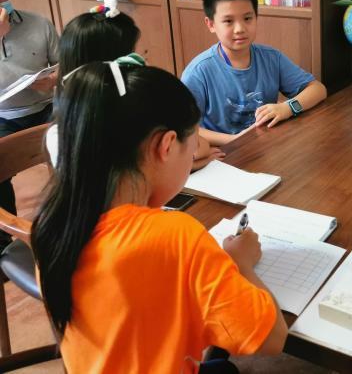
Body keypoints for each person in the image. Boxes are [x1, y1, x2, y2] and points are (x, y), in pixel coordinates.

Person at [32, 61, 288, 373]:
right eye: (191, 148)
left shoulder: (53, 226)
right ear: (165, 145)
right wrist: (241, 263)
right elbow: (272, 339)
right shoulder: (175, 235)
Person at [46, 8, 223, 170]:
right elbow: (187, 151)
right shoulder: (73, 135)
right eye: (132, 55)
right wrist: (195, 161)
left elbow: (193, 146)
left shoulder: (130, 107)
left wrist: (192, 157)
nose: (141, 61)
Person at [181, 0, 327, 147]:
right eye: (228, 21)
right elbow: (183, 128)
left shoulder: (271, 58)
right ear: (211, 24)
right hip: (222, 152)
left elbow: (318, 89)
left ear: (256, 17)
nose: (240, 29)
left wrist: (288, 108)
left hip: (264, 147)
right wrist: (234, 140)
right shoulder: (198, 72)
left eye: (247, 18)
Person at [0, 0, 58, 248]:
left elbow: (65, 66)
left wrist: (54, 79)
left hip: (46, 108)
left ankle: (73, 220)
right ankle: (4, 242)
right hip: (3, 117)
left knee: (78, 142)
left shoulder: (39, 24)